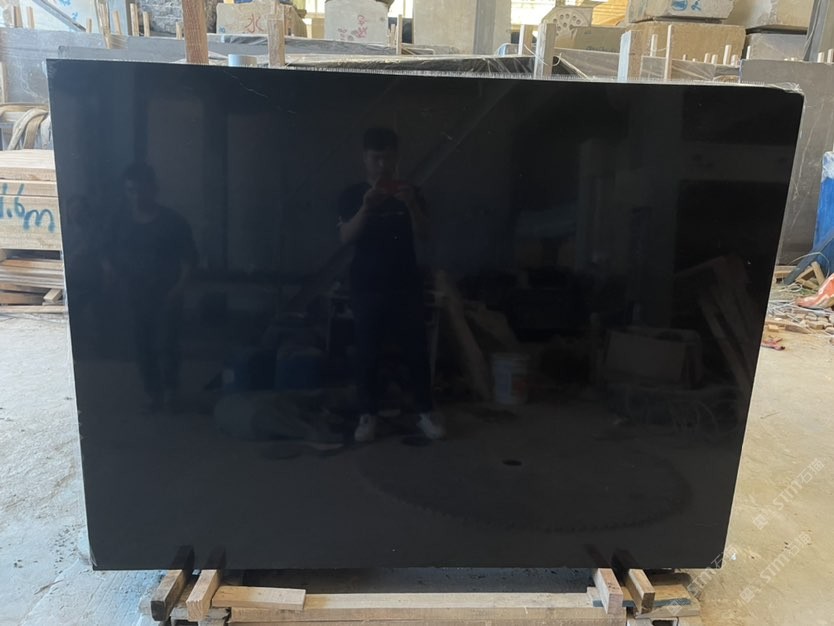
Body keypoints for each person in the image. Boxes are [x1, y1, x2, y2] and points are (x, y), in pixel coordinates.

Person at [338, 127, 445, 442]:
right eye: (376, 158)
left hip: (405, 285)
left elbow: (425, 234)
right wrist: (366, 207)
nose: (382, 165)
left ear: (397, 157)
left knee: (416, 351)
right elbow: (346, 237)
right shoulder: (351, 194)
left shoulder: (411, 192)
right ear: (364, 158)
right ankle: (367, 415)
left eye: (388, 158)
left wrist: (411, 204)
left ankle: (425, 412)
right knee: (367, 352)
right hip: (366, 285)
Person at [109, 163, 197, 411]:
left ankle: (170, 392)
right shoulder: (120, 221)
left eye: (141, 190)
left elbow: (189, 259)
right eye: (131, 191)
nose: (136, 197)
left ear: (154, 189)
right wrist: (111, 273)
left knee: (168, 344)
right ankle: (152, 393)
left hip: (166, 292)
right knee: (142, 344)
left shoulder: (173, 222)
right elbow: (106, 249)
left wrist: (179, 288)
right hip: (134, 293)